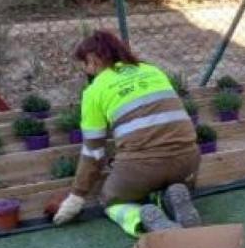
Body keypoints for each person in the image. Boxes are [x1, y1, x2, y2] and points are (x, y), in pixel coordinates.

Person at [52, 30, 202, 236]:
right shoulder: (153, 71)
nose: (85, 70)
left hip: (141, 168)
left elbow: (93, 152)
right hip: (188, 161)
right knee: (167, 178)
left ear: (93, 60)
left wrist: (76, 196)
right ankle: (171, 194)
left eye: (84, 64)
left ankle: (140, 218)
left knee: (110, 200)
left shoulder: (95, 91)